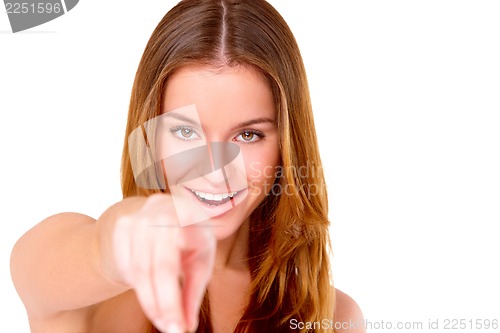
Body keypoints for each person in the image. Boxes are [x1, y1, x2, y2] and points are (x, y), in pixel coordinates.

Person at [10, 0, 365, 332]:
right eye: (185, 131)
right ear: (149, 136)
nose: (216, 171)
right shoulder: (89, 293)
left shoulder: (331, 316)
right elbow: (54, 261)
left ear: (287, 146)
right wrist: (114, 246)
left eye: (248, 135)